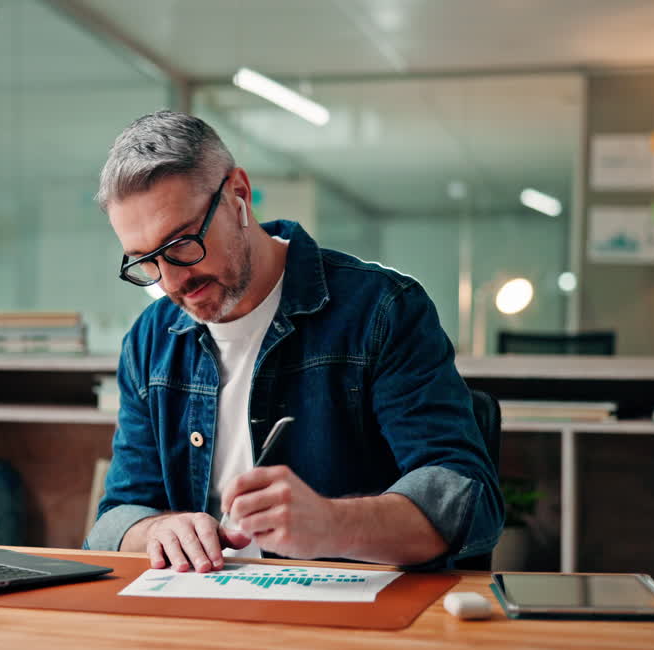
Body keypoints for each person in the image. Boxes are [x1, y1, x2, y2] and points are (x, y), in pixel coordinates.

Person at [84, 110, 501, 573]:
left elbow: (465, 496)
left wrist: (332, 524)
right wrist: (156, 530)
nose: (172, 280)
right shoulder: (150, 341)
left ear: (238, 195)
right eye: (146, 261)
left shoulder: (382, 311)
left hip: (353, 623)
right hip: (203, 613)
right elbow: (116, 518)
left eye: (182, 243)